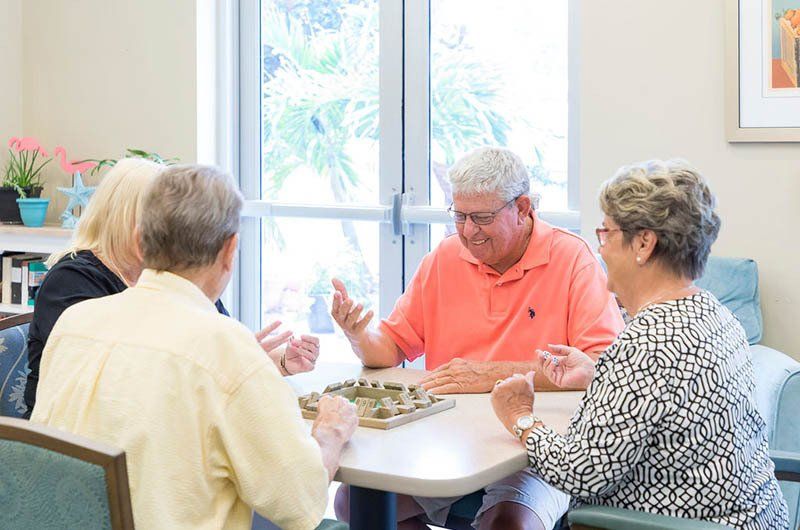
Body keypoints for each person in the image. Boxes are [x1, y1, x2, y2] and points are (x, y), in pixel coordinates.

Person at [30, 164, 358, 530]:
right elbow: (299, 502)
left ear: (139, 242)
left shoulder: (74, 324)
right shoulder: (227, 348)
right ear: (230, 251)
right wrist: (330, 432)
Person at [332, 147, 625, 529]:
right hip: (449, 437)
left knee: (510, 523)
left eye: (482, 218)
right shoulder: (445, 257)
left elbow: (600, 366)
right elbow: (389, 348)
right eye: (459, 216)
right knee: (356, 503)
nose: (469, 232)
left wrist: (490, 375)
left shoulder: (573, 259)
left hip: (534, 443)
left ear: (522, 208)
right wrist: (359, 334)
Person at [491, 159, 789, 529]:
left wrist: (520, 417)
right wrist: (599, 373)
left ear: (644, 243)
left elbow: (579, 474)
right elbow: (668, 396)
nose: (601, 250)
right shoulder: (712, 313)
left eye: (606, 234)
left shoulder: (647, 343)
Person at [24, 158, 319, 419]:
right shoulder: (71, 282)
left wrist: (274, 361)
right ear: (132, 221)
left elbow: (205, 357)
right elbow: (114, 386)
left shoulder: (174, 277)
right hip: (74, 442)